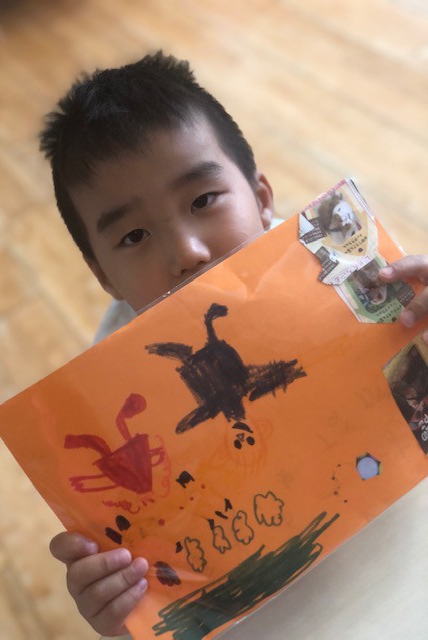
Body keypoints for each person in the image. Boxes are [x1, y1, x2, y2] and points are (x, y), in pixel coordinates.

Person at [39, 51, 428, 639]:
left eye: (202, 201)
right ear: (103, 276)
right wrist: (122, 605)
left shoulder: (344, 278)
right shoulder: (111, 399)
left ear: (262, 196)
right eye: (134, 235)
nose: (188, 251)